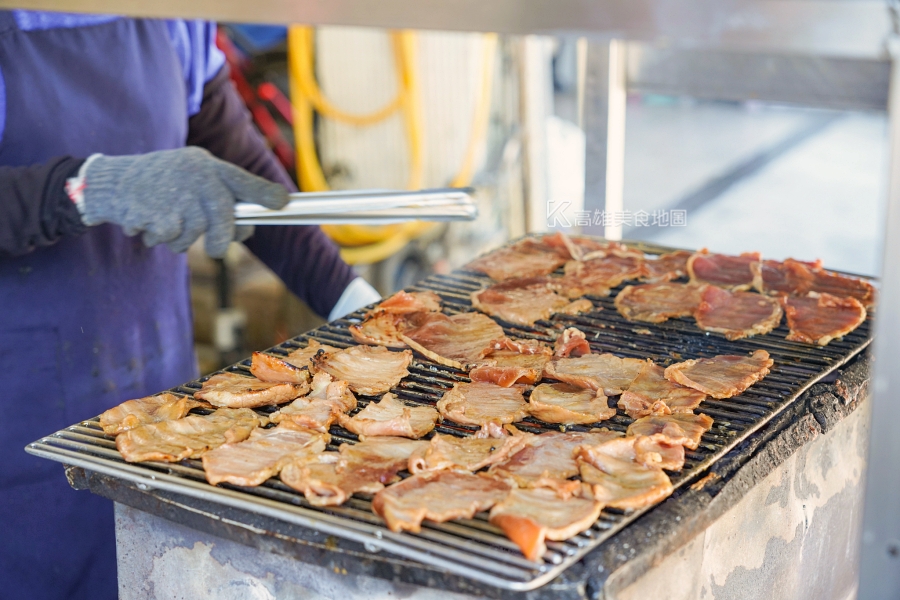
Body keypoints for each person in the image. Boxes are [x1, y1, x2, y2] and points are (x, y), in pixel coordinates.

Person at [0, 11, 380, 599]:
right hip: (21, 415)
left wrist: (352, 298)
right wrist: (87, 187)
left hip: (159, 390)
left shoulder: (170, 16)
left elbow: (238, 164)